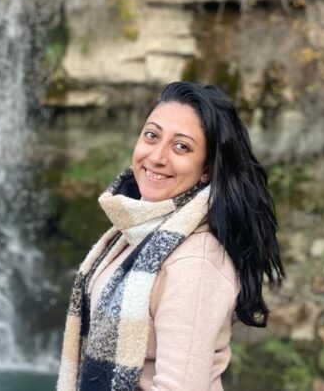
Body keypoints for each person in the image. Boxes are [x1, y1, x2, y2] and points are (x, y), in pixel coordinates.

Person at [57, 81, 285, 391]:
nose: (157, 157)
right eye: (152, 136)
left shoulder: (196, 260)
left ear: (206, 170)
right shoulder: (135, 235)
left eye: (182, 147)